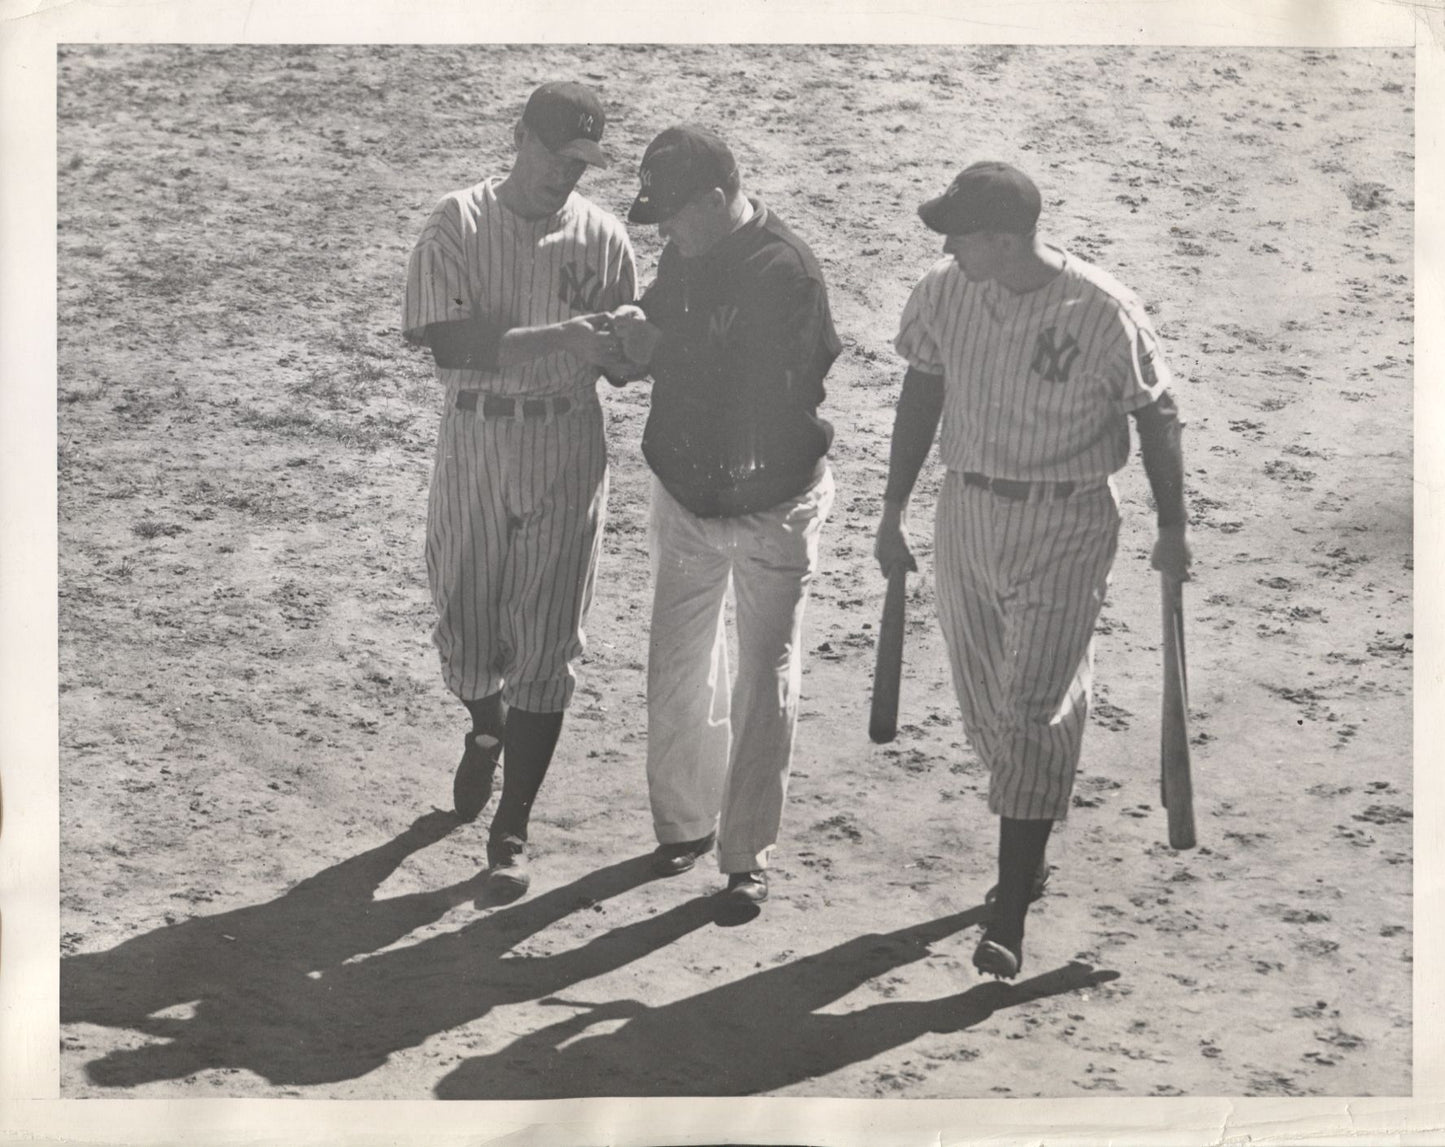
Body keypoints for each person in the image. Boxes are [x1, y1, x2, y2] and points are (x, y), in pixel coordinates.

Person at [873, 161, 1192, 978]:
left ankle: (1007, 910)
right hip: (967, 512)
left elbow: (1154, 411)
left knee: (1032, 710)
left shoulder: (1100, 309)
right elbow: (921, 391)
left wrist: (1172, 523)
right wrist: (893, 509)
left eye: (962, 232)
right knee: (988, 709)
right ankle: (1032, 820)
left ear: (1008, 238)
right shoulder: (945, 291)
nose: (947, 244)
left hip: (1067, 518)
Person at [401, 81, 638, 900]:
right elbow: (450, 342)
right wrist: (568, 335)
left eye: (580, 163)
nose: (564, 176)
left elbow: (621, 360)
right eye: (553, 155)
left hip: (567, 441)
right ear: (518, 138)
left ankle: (513, 825)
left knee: (547, 637)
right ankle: (484, 723)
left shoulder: (604, 237)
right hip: (476, 435)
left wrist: (633, 347)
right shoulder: (457, 221)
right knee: (464, 626)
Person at [609, 125, 840, 910]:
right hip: (687, 495)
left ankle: (746, 854)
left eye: (673, 214)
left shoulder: (786, 272)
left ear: (716, 197)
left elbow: (765, 391)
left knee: (762, 681)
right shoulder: (689, 248)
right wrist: (627, 334)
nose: (664, 231)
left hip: (774, 504)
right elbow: (662, 315)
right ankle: (682, 825)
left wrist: (659, 348)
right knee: (676, 667)